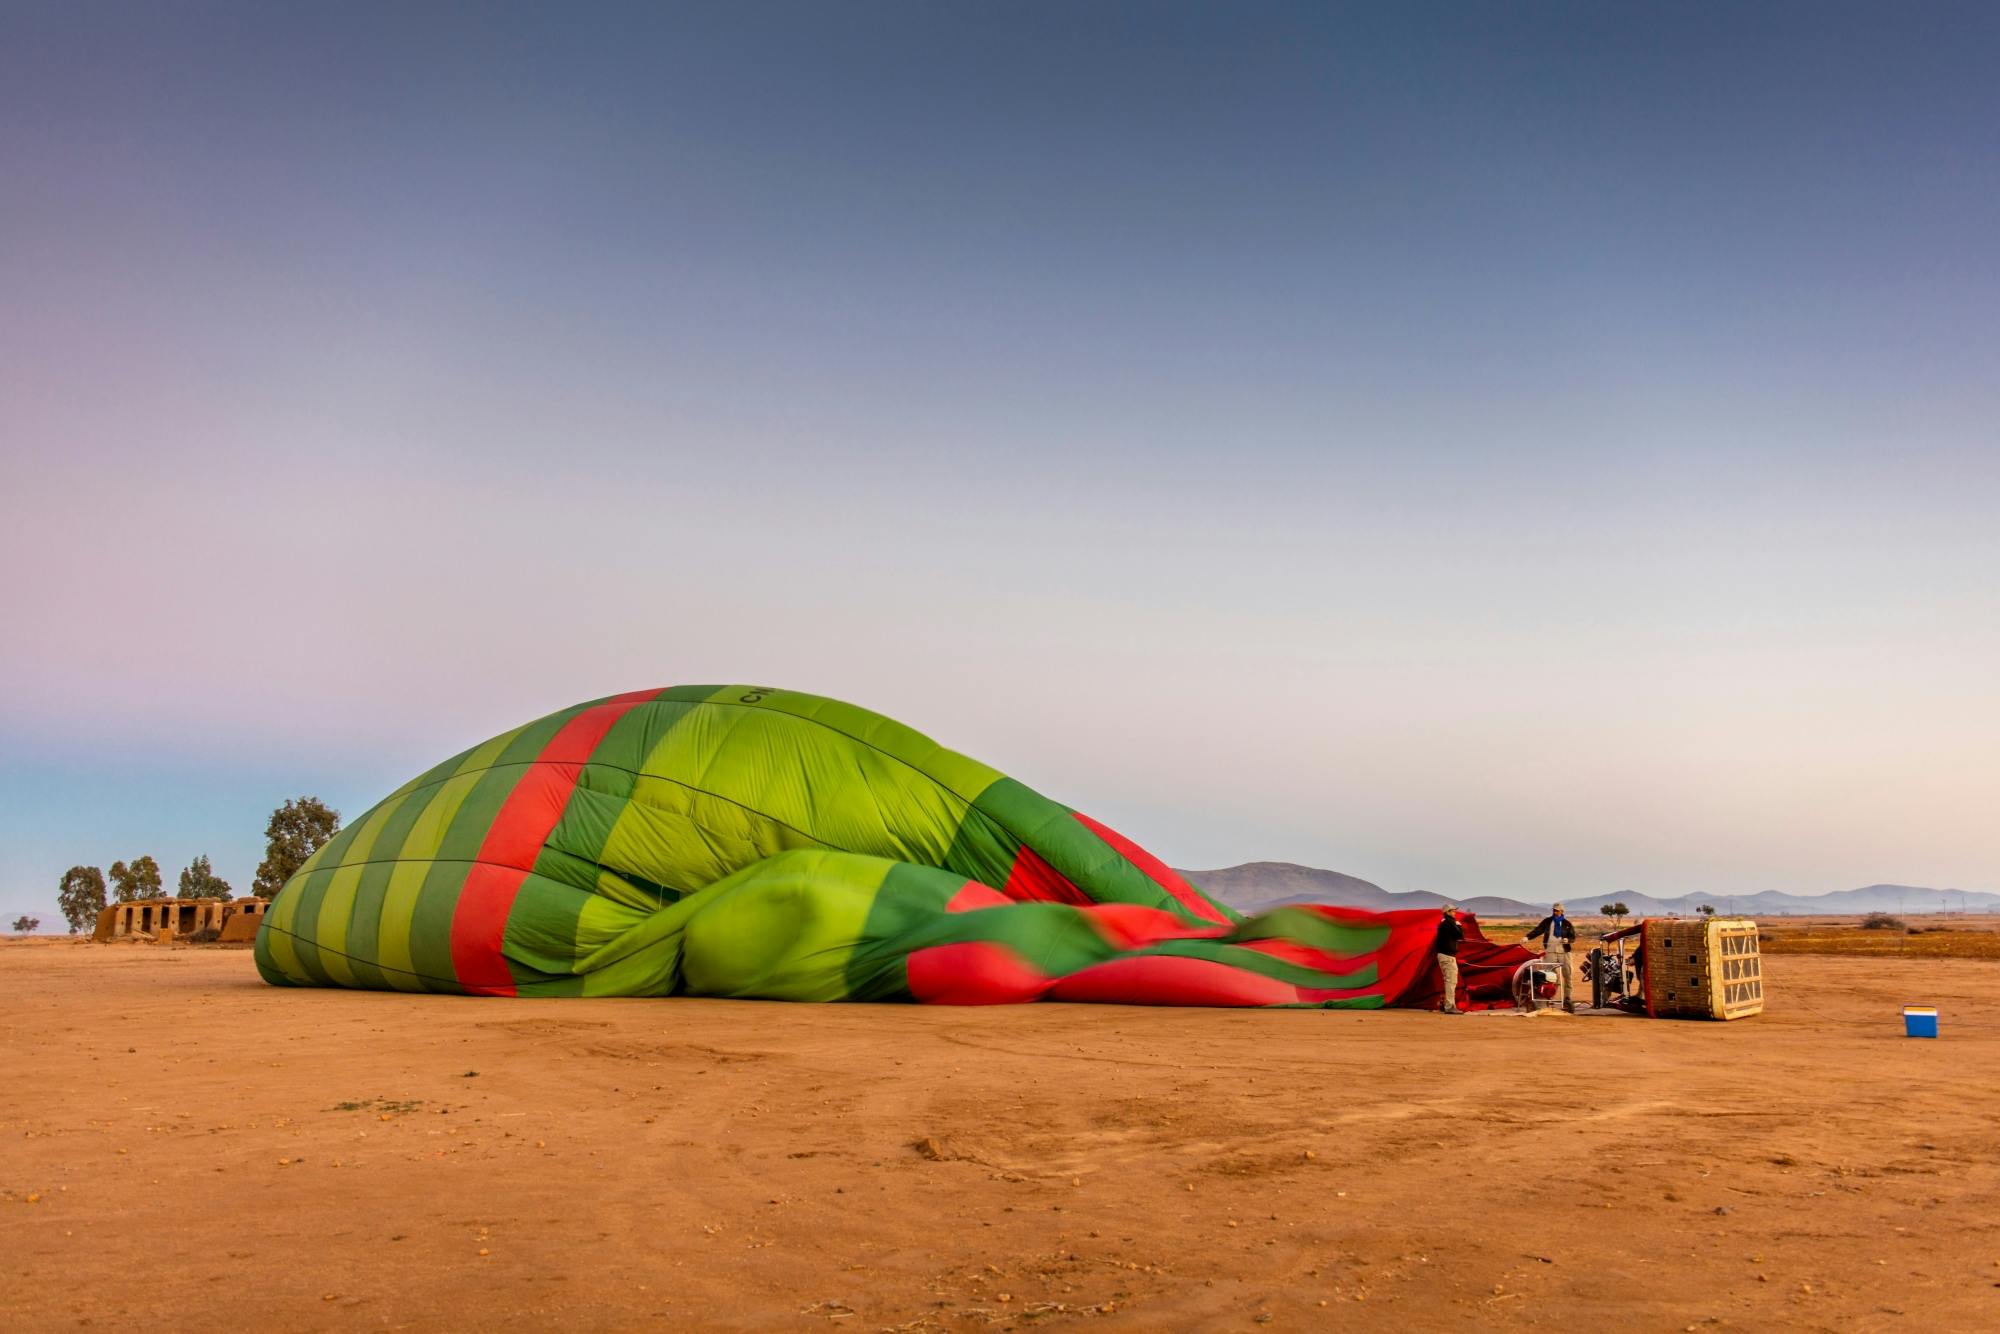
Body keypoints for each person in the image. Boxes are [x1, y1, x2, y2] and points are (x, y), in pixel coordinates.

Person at [1524, 901, 1578, 1012]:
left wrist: (1568, 940)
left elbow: (1573, 937)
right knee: (1548, 976)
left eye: (1557, 910)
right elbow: (1538, 930)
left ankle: (1567, 998)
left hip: (1564, 952)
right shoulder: (1547, 922)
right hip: (1550, 951)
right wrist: (1528, 937)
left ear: (1562, 911)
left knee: (1567, 975)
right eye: (1553, 910)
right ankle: (1546, 998)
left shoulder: (1567, 924)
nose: (1555, 912)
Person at [1433, 904, 1464, 1014]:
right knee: (1451, 981)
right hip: (1448, 956)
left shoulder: (1443, 923)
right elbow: (1459, 935)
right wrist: (1459, 925)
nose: (1455, 912)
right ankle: (1450, 1006)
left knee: (1448, 980)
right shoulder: (1450, 922)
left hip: (1443, 955)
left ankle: (1446, 1003)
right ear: (1448, 912)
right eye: (1453, 911)